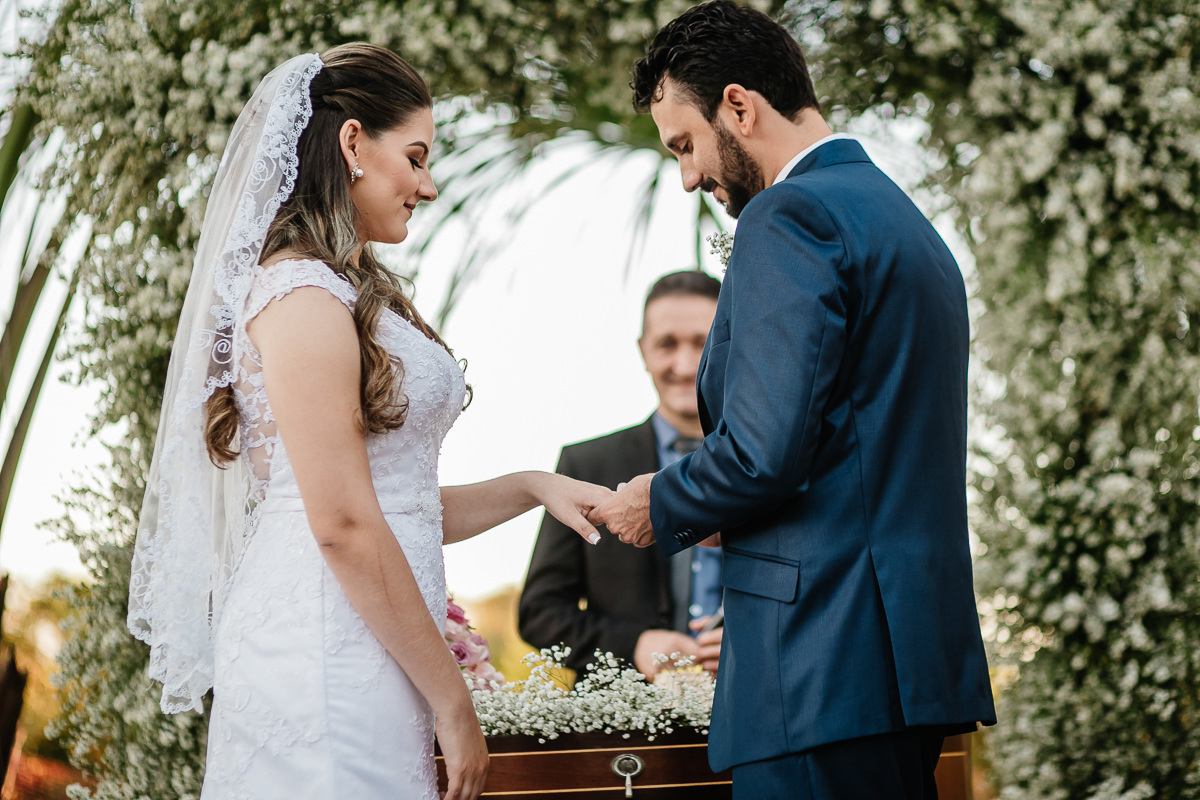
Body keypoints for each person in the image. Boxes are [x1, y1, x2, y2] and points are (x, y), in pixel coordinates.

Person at [126, 45, 611, 800]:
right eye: (415, 158)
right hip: (322, 644)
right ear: (353, 143)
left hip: (367, 636)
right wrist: (453, 700)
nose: (428, 185)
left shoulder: (342, 289)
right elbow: (343, 524)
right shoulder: (298, 296)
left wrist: (531, 486)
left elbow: (394, 503)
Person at [591, 2, 997, 798]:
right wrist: (731, 517)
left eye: (685, 144)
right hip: (903, 662)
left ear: (739, 107)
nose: (688, 177)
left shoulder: (788, 215)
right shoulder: (906, 224)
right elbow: (860, 451)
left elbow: (762, 453)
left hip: (816, 666)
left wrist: (661, 503)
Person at [519, 270, 724, 679]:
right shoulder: (586, 464)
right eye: (667, 344)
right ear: (643, 351)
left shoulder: (775, 464)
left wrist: (757, 634)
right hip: (625, 713)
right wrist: (633, 646)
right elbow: (539, 613)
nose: (685, 365)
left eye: (702, 343)